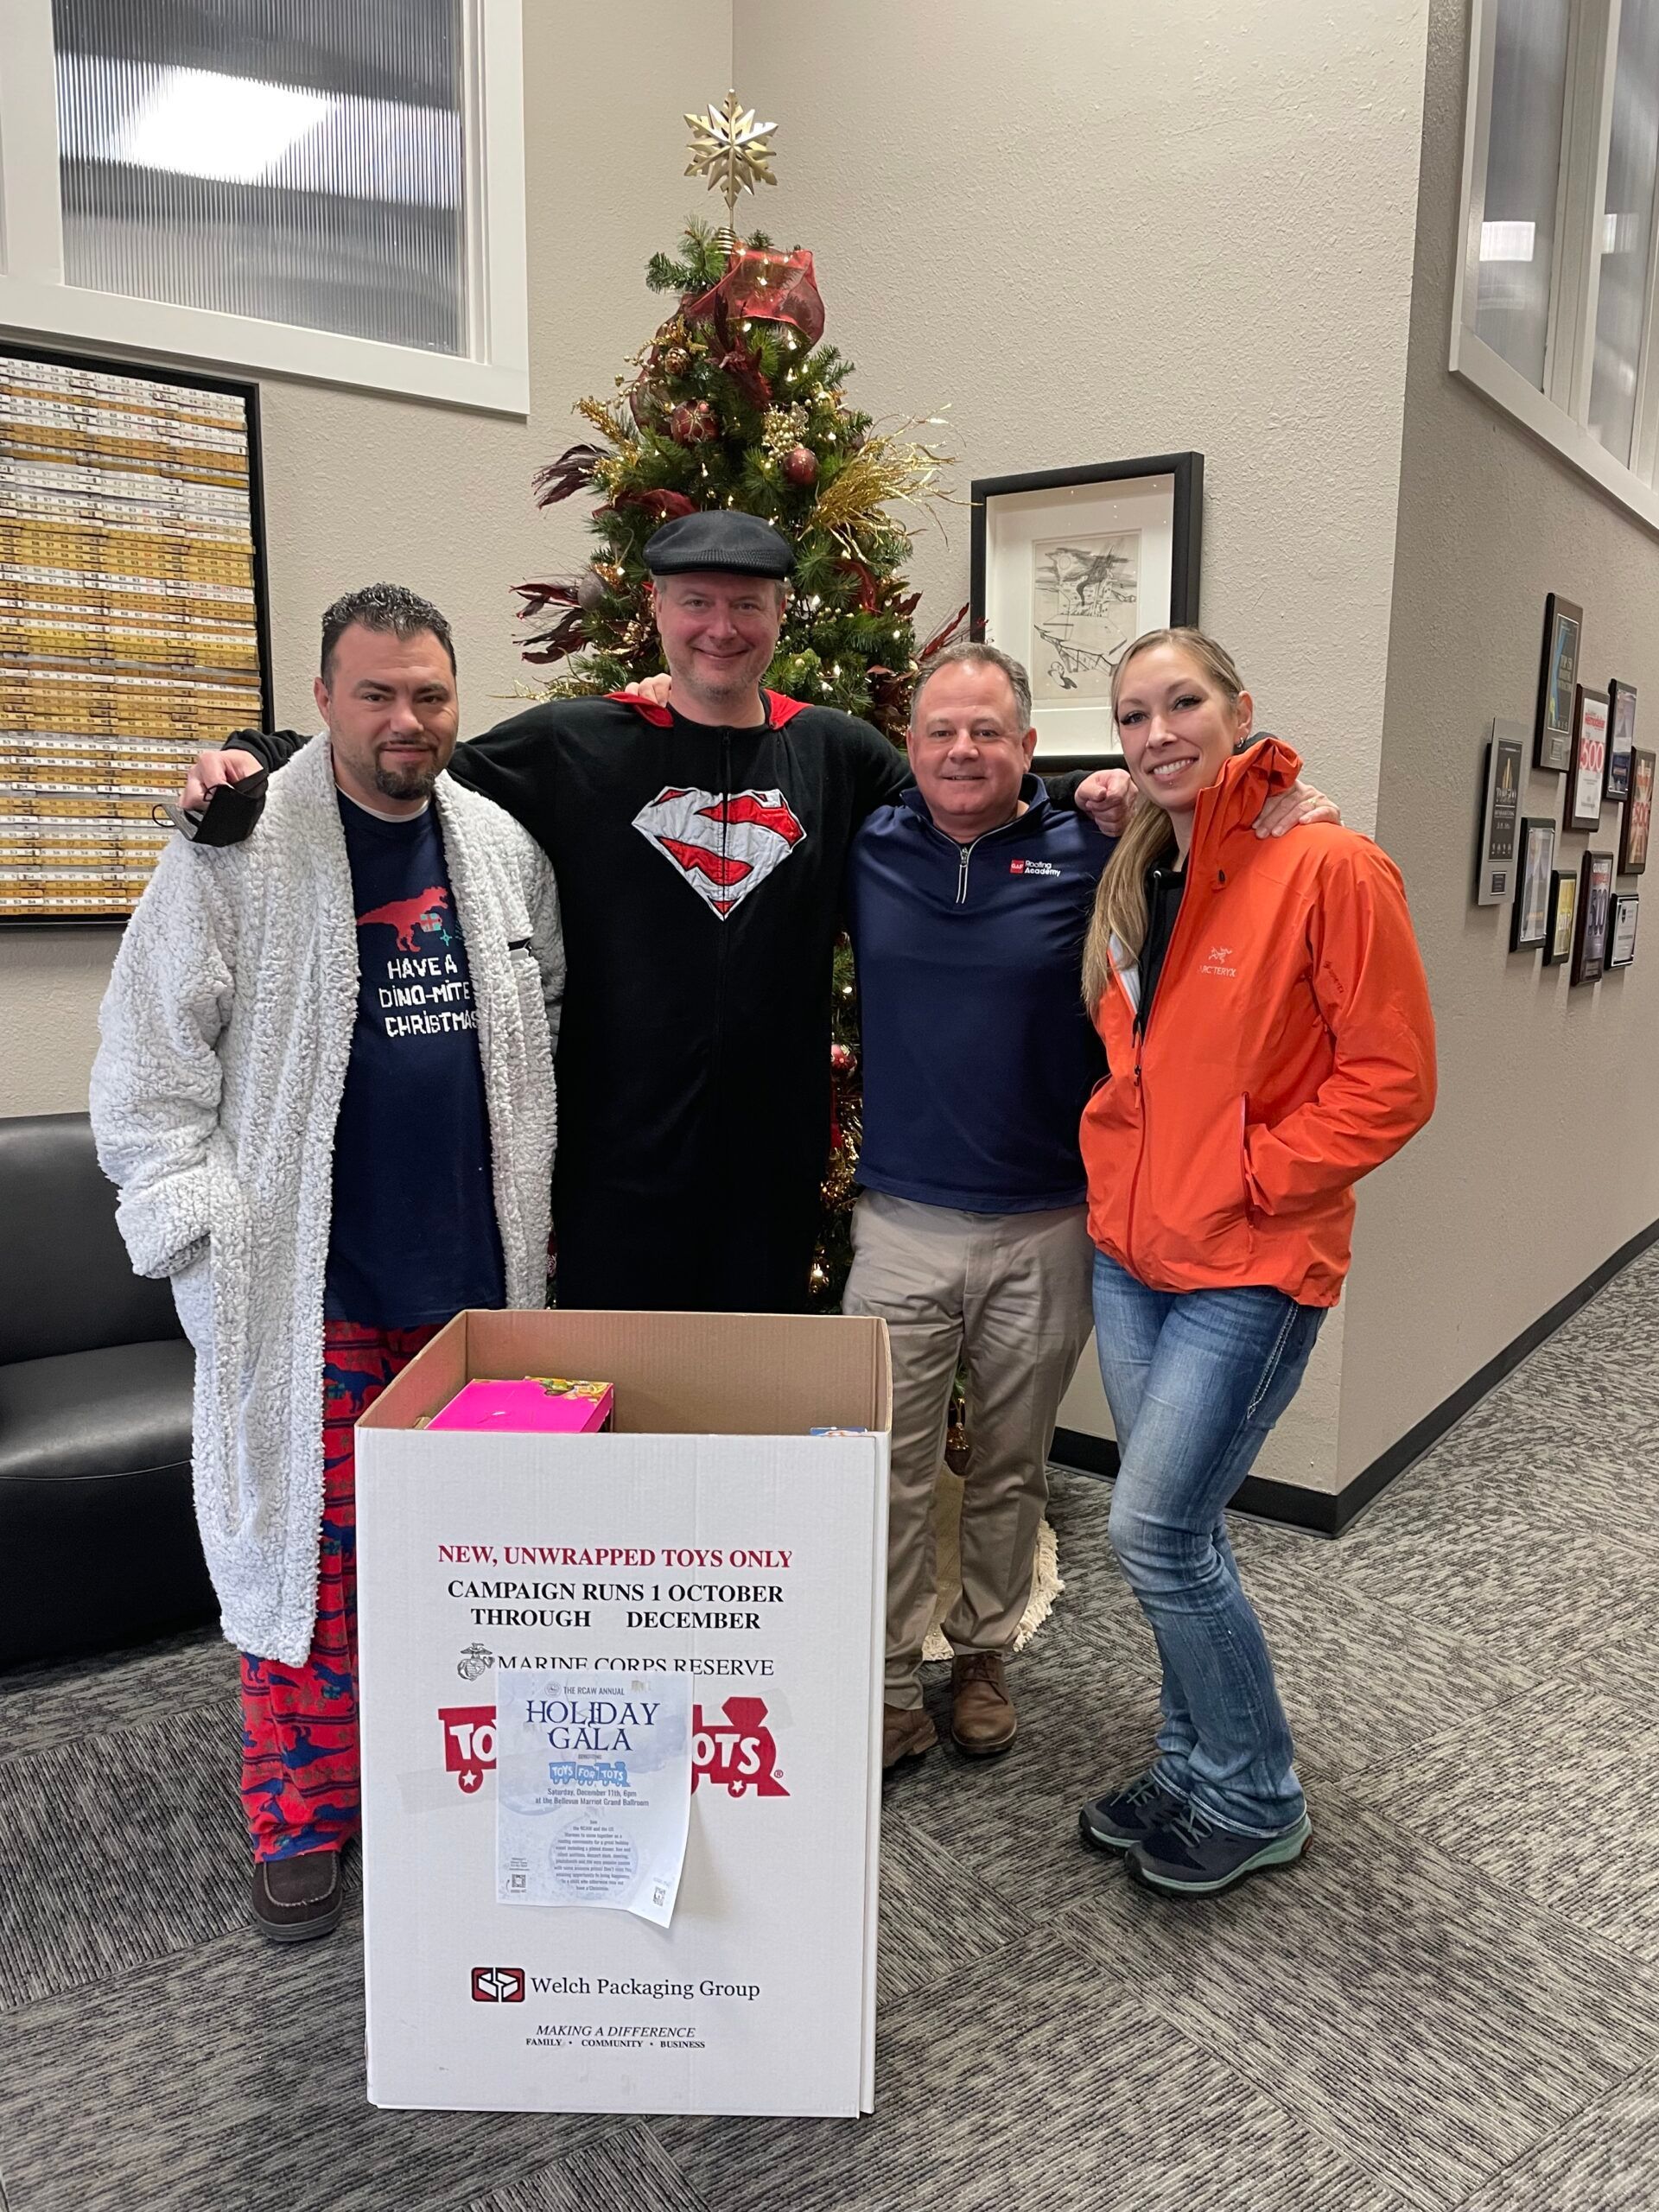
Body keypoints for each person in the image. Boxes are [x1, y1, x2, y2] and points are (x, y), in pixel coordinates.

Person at [168, 513, 1145, 1313]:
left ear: (779, 615)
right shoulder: (576, 742)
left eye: (746, 605)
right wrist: (253, 751)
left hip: (772, 1164)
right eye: (696, 603)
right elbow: (406, 753)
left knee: (747, 1401)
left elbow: (969, 795)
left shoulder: (838, 755)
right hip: (612, 1163)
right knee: (611, 1403)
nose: (721, 626)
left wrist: (1101, 792)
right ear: (659, 610)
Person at [90, 585, 563, 1944]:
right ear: (323, 700)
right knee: (313, 1574)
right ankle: (300, 1818)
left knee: (476, 1576)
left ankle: (448, 1800)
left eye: (428, 693)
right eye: (376, 694)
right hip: (314, 1295)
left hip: (477, 1302)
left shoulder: (497, 846)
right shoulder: (236, 850)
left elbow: (542, 1033)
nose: (405, 720)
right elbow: (147, 1076)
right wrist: (205, 1235)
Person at [842, 642, 1342, 1770]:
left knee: (1014, 1464)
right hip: (900, 1225)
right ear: (908, 749)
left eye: (987, 731)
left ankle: (980, 1658)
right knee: (886, 1469)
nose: (962, 751)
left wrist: (1293, 798)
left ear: (1029, 746)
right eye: (938, 733)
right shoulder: (866, 847)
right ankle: (883, 1688)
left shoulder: (1098, 844)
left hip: (1049, 1223)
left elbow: (1232, 826)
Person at [1073, 627, 1434, 1897]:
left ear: (1240, 711)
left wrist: (1254, 1177)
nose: (1158, 731)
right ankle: (1188, 1763)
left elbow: (1393, 1082)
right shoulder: (1144, 871)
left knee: (1156, 1530)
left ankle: (1258, 1789)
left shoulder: (1331, 866)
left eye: (1183, 704)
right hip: (1132, 1255)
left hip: (1252, 1261)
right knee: (1178, 1534)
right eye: (1132, 715)